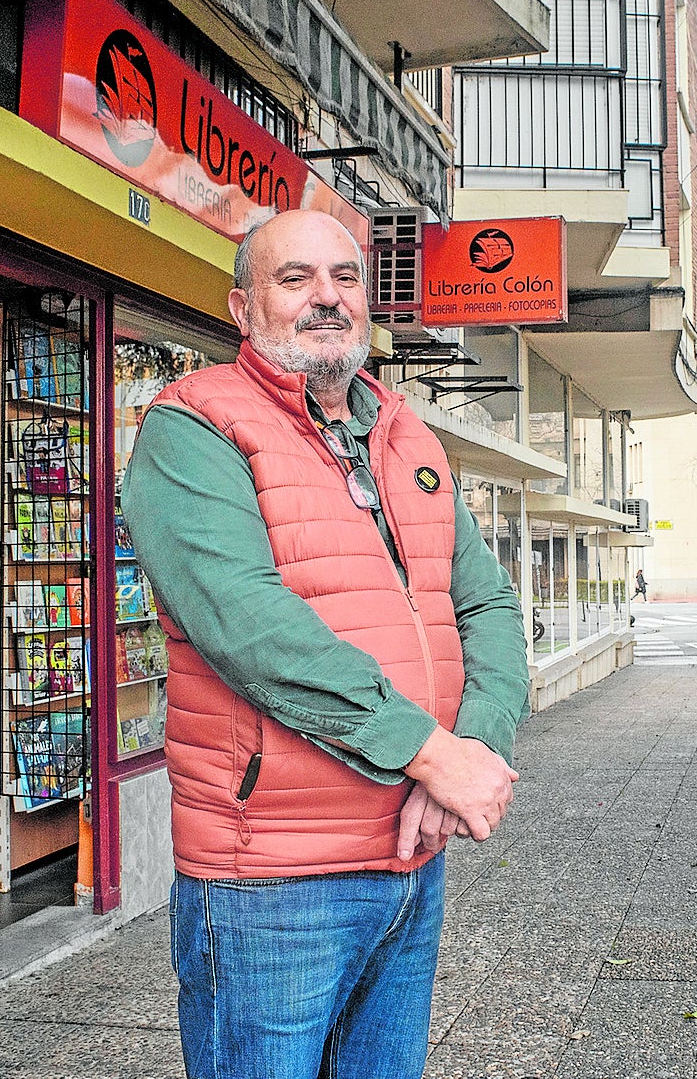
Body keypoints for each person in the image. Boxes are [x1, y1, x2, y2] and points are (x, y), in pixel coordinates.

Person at [121, 209, 530, 1079]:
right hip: (270, 881)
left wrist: (473, 750)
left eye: (344, 277)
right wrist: (427, 751)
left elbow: (485, 602)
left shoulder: (405, 434)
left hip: (412, 856)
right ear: (242, 307)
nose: (326, 298)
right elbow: (248, 625)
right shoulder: (192, 426)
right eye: (294, 278)